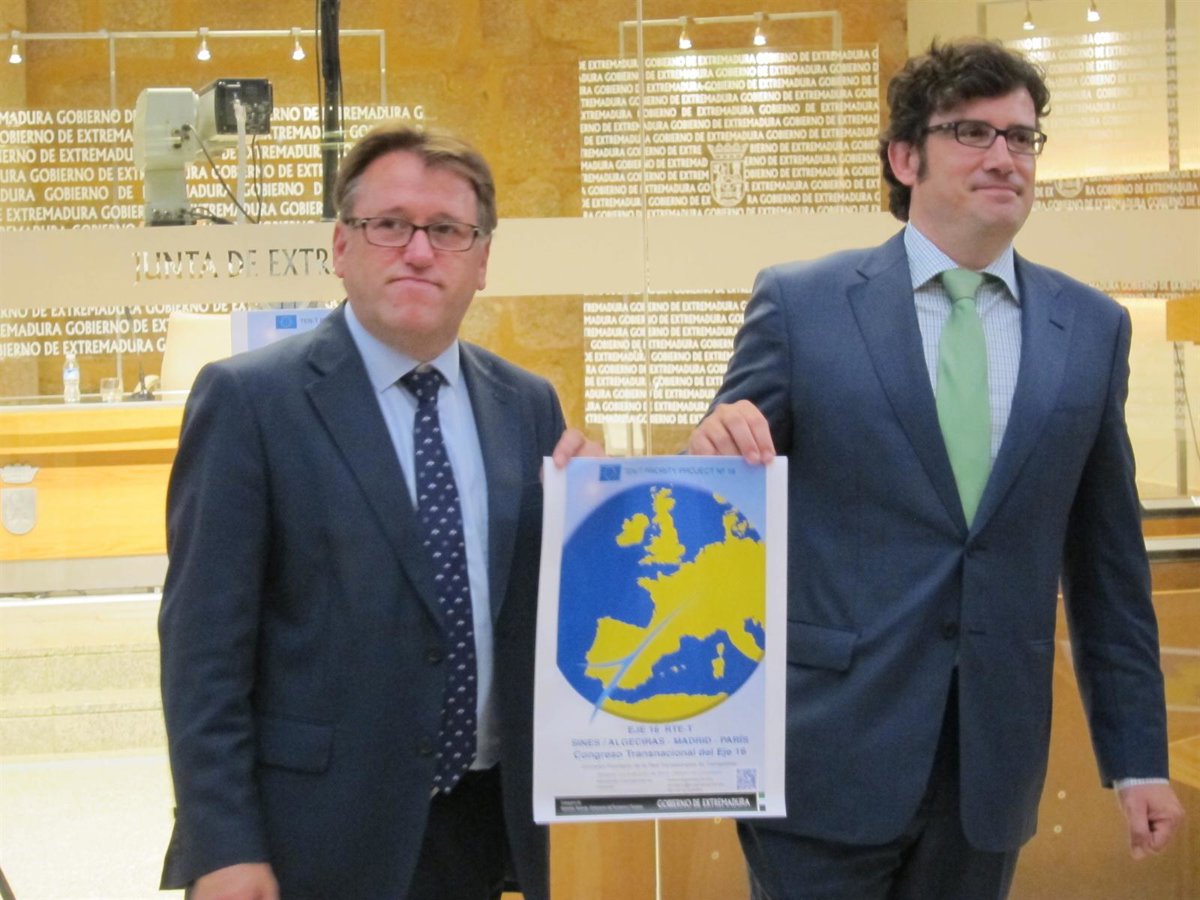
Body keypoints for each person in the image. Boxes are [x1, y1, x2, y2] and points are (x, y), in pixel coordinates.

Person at [688, 39, 1184, 900]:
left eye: (1021, 138)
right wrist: (712, 439)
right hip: (824, 751)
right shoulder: (803, 305)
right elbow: (725, 492)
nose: (1003, 156)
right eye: (971, 132)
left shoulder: (1091, 329)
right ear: (904, 158)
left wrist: (1137, 755)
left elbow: (1108, 565)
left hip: (989, 769)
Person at [158, 124, 599, 900]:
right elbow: (203, 651)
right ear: (341, 246)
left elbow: (537, 613)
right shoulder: (251, 402)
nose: (419, 251)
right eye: (390, 224)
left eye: (448, 230)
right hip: (315, 833)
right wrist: (222, 844)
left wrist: (595, 509)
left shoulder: (527, 405)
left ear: (482, 260)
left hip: (484, 826)